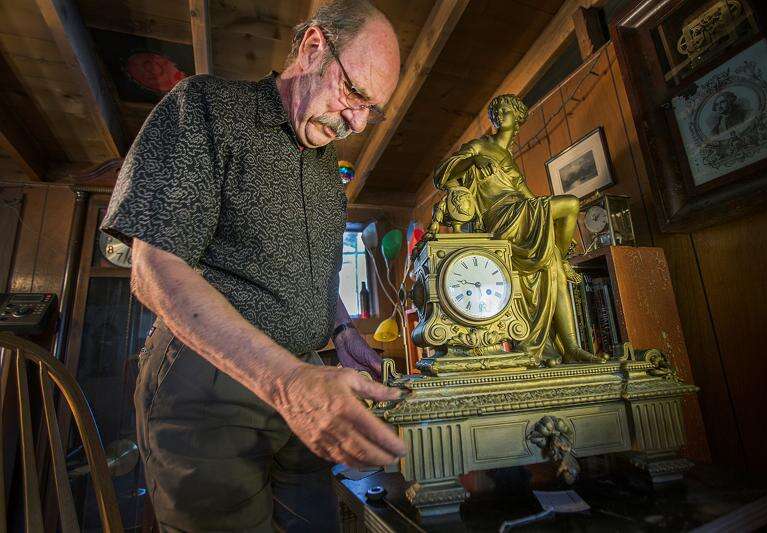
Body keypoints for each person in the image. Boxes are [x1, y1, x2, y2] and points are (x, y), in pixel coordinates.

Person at [100, 1, 405, 530]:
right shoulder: (207, 107)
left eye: (371, 110)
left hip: (301, 380)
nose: (357, 121)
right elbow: (155, 270)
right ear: (313, 47)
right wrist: (289, 382)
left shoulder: (327, 168)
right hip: (207, 385)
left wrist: (339, 328)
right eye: (354, 93)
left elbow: (314, 271)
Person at [432, 94, 604, 364]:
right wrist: (472, 161)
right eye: (496, 112)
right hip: (499, 218)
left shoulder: (508, 157)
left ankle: (571, 346)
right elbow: (442, 175)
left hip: (521, 211)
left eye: (506, 111)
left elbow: (528, 197)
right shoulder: (479, 145)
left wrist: (541, 216)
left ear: (518, 117)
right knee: (570, 204)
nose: (500, 115)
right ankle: (562, 257)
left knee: (554, 266)